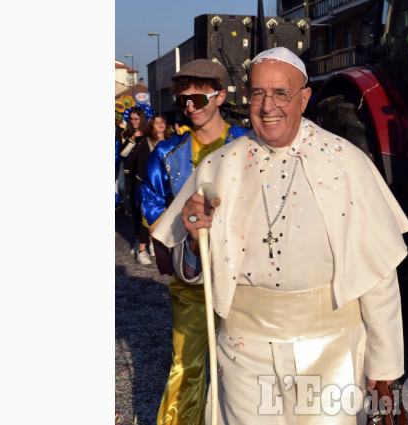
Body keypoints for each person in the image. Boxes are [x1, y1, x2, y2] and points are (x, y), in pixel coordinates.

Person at [151, 47, 408, 425]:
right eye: (257, 93)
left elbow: (379, 276)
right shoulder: (218, 166)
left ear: (304, 98)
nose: (267, 106)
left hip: (332, 352)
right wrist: (193, 241)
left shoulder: (348, 162)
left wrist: (385, 369)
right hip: (244, 354)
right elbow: (186, 271)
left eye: (280, 94)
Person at [137, 59, 249, 425]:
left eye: (198, 99)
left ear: (219, 96)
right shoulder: (166, 154)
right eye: (183, 99)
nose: (189, 106)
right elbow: (152, 203)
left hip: (245, 278)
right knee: (187, 364)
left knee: (243, 367)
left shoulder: (248, 145)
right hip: (190, 279)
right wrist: (162, 249)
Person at [133, 115, 175, 262]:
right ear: (151, 127)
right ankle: (141, 251)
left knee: (164, 218)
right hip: (149, 187)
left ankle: (154, 245)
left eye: (162, 122)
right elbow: (142, 167)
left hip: (167, 188)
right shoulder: (147, 143)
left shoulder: (171, 142)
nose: (160, 125)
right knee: (148, 218)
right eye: (156, 123)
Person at [120, 106, 151, 264]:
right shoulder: (126, 134)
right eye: (131, 119)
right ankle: (138, 240)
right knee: (135, 210)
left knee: (147, 210)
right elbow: (122, 153)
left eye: (136, 119)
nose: (133, 122)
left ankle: (148, 241)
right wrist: (133, 138)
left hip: (146, 177)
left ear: (142, 119)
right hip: (130, 177)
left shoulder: (148, 134)